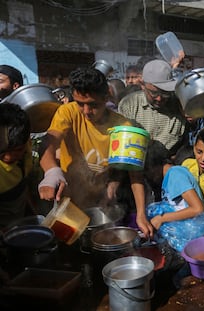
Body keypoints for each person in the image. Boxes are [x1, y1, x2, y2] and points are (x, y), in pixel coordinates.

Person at [37, 67, 153, 237]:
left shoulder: (123, 127)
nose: (86, 112)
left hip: (100, 200)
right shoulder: (67, 112)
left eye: (93, 105)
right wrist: (51, 173)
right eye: (80, 104)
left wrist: (141, 215)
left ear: (106, 97)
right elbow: (49, 142)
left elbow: (133, 173)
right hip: (69, 199)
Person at [144, 140, 204, 251]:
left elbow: (197, 209)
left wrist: (161, 219)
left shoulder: (176, 174)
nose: (147, 176)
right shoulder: (168, 178)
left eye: (147, 171)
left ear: (154, 166)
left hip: (194, 241)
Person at [118, 59, 187, 154]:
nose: (159, 98)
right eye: (154, 93)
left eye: (165, 93)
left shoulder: (179, 104)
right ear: (143, 85)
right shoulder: (129, 105)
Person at [0, 103, 33, 228]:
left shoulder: (26, 145)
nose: (8, 157)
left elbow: (24, 187)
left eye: (18, 149)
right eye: (2, 152)